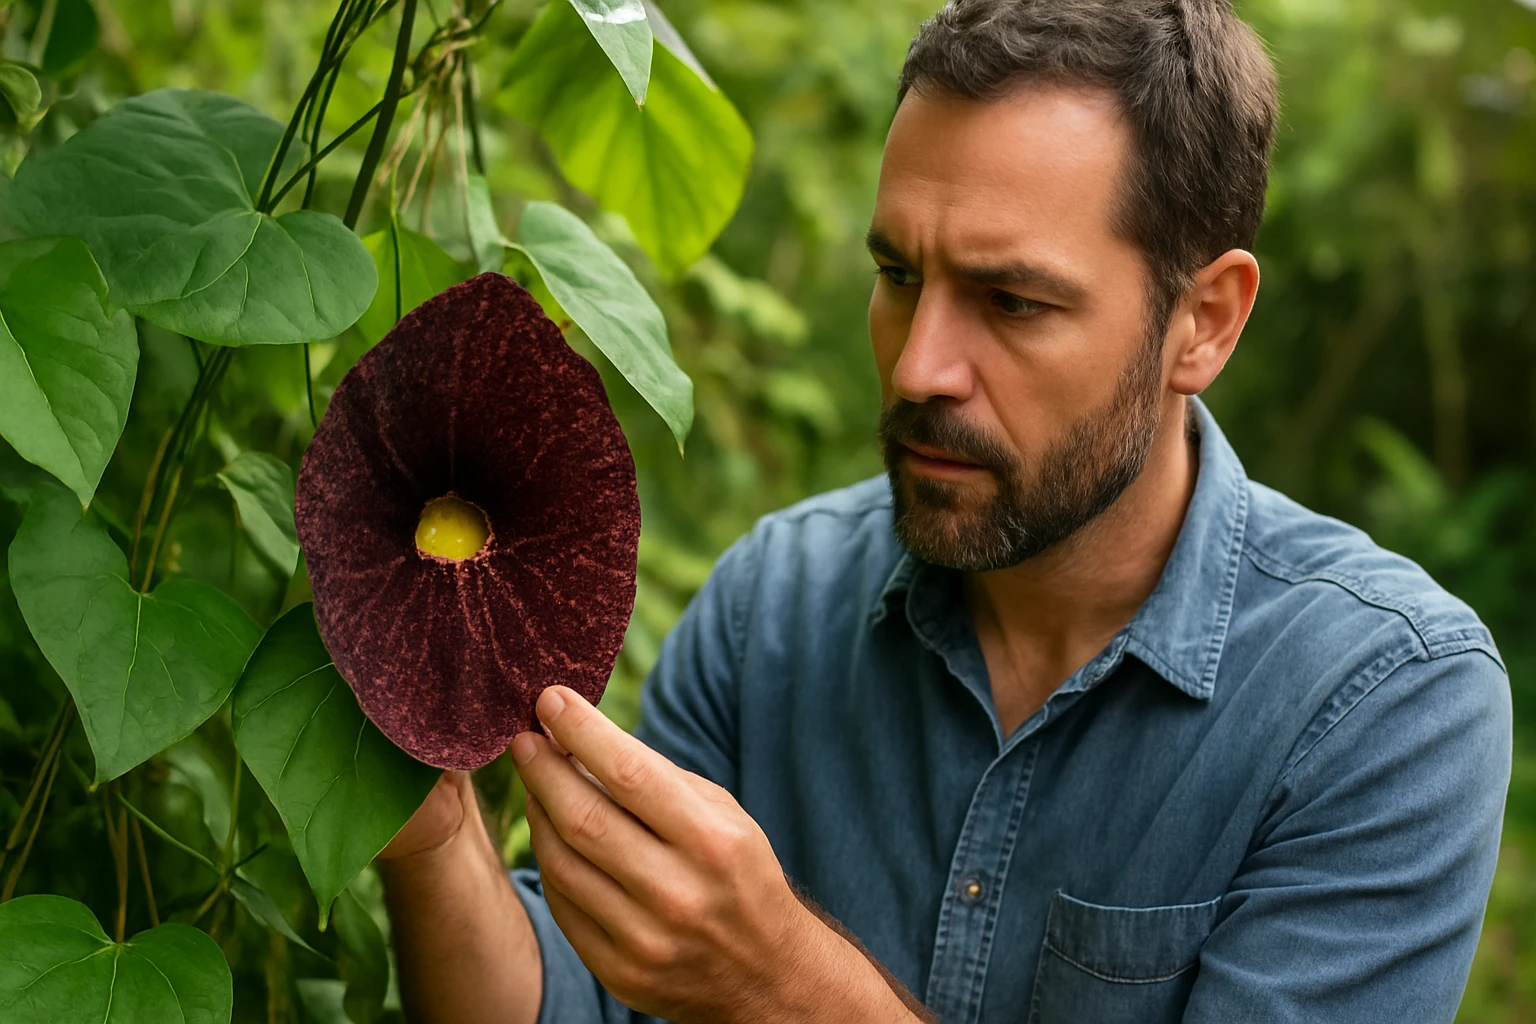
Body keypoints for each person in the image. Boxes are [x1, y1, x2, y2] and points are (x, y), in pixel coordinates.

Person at [376, 1, 1513, 1021]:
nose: (920, 366)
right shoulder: (771, 605)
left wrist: (781, 982)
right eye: (900, 275)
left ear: (1205, 321)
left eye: (1012, 300)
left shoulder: (1384, 702)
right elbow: (587, 1004)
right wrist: (429, 835)